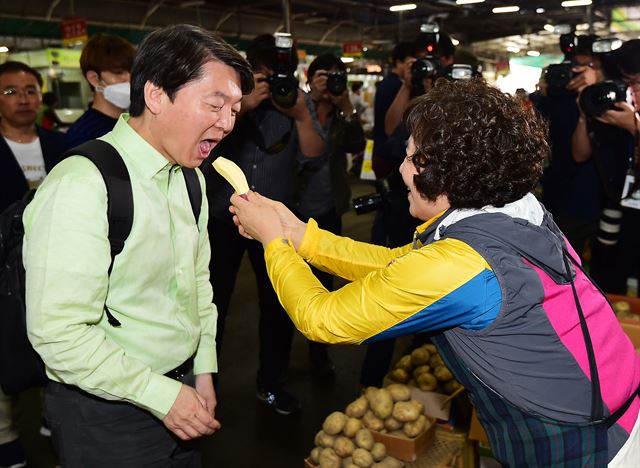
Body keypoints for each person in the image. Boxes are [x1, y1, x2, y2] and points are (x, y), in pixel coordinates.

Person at [230, 78, 640, 466]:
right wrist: (302, 237)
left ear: (445, 173)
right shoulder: (513, 211)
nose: (402, 171)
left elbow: (323, 320)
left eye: (411, 158)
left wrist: (273, 244)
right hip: (616, 407)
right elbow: (399, 266)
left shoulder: (463, 263)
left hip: (592, 444)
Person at [23, 24, 253, 467]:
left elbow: (198, 287)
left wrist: (204, 371)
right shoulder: (83, 184)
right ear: (156, 95)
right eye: (215, 104)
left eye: (236, 109)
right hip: (108, 415)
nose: (227, 124)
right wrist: (162, 396)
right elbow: (58, 333)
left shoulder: (192, 179)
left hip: (184, 392)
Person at [202, 33, 325, 415]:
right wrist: (241, 110)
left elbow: (315, 154)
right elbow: (203, 150)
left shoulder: (296, 104)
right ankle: (207, 386)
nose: (271, 83)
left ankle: (271, 382)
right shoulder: (230, 106)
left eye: (278, 74)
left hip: (275, 221)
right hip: (224, 217)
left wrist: (301, 114)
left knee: (278, 305)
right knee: (211, 304)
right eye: (261, 74)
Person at [0, 60, 65, 468]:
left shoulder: (60, 145)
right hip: (3, 273)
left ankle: (53, 420)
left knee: (56, 344)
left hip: (53, 266)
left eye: (30, 90)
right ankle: (6, 440)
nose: (23, 99)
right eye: (10, 91)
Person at [298, 53, 366, 375]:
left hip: (328, 210)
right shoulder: (296, 108)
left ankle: (318, 356)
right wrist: (311, 101)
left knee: (324, 288)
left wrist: (347, 106)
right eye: (325, 75)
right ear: (310, 78)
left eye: (337, 76)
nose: (331, 82)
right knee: (284, 285)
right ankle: (280, 362)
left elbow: (357, 144)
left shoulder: (341, 115)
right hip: (294, 210)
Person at [572, 38, 640, 293]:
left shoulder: (629, 120)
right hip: (617, 217)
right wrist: (585, 114)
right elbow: (579, 154)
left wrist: (634, 127)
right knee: (609, 278)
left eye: (636, 82)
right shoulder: (616, 112)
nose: (631, 90)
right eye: (627, 82)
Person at [64, 33, 136, 148]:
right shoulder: (82, 135)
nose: (129, 79)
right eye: (119, 72)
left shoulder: (137, 123)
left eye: (133, 72)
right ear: (94, 79)